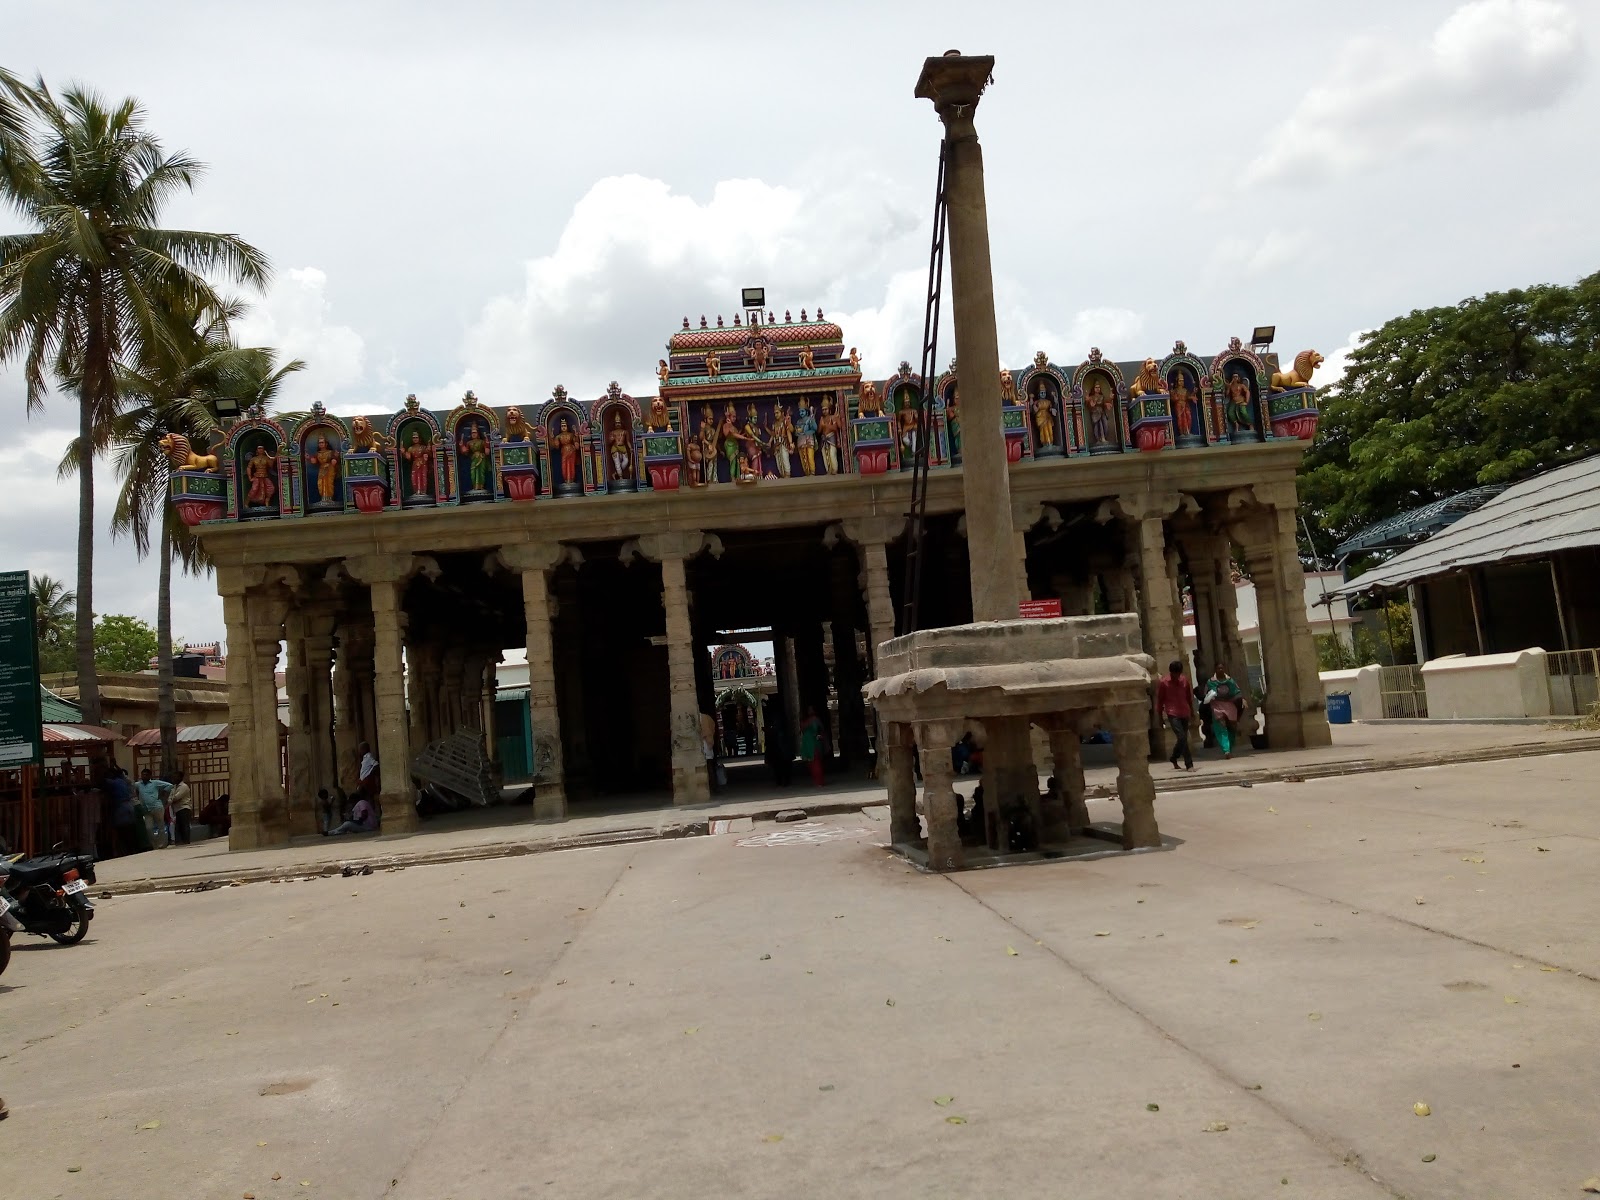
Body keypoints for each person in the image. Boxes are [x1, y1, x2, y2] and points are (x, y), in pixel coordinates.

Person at [1156, 660, 1195, 771]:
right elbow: (1160, 700)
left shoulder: (1184, 681)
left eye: (1178, 673)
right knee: (1181, 736)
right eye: (1174, 673)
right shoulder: (1164, 683)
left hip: (1184, 711)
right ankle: (1189, 764)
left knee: (1183, 738)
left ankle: (1174, 757)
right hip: (1172, 713)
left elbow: (1189, 697)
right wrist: (1159, 717)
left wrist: (1192, 711)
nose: (1176, 676)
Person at [1204, 664, 1245, 759]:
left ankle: (1229, 747)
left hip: (1230, 704)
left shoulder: (1230, 681)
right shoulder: (1210, 682)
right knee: (1221, 727)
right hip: (1217, 705)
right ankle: (1226, 750)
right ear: (1215, 670)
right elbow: (1205, 694)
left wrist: (1241, 699)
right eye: (1218, 668)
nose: (1220, 669)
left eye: (1222, 668)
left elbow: (1237, 692)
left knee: (1232, 728)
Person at [133, 768, 173, 849]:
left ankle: (161, 844)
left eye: (146, 775)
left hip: (157, 807)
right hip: (146, 809)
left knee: (160, 826)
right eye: (143, 775)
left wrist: (163, 794)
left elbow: (170, 785)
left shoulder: (155, 783)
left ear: (150, 776)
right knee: (148, 828)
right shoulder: (138, 784)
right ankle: (154, 845)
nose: (144, 776)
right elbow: (132, 787)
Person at [798, 706, 826, 787]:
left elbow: (821, 729)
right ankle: (817, 781)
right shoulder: (805, 721)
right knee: (811, 763)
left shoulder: (815, 719)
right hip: (807, 743)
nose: (810, 711)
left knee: (816, 762)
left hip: (814, 743)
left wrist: (819, 735)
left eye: (811, 709)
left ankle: (819, 781)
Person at [168, 770, 194, 844]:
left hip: (184, 808)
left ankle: (186, 841)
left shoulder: (184, 786)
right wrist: (171, 799)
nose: (173, 778)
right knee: (178, 826)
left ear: (180, 777)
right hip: (177, 809)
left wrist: (171, 799)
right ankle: (179, 841)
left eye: (175, 777)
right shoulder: (174, 787)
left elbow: (176, 797)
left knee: (184, 825)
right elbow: (170, 798)